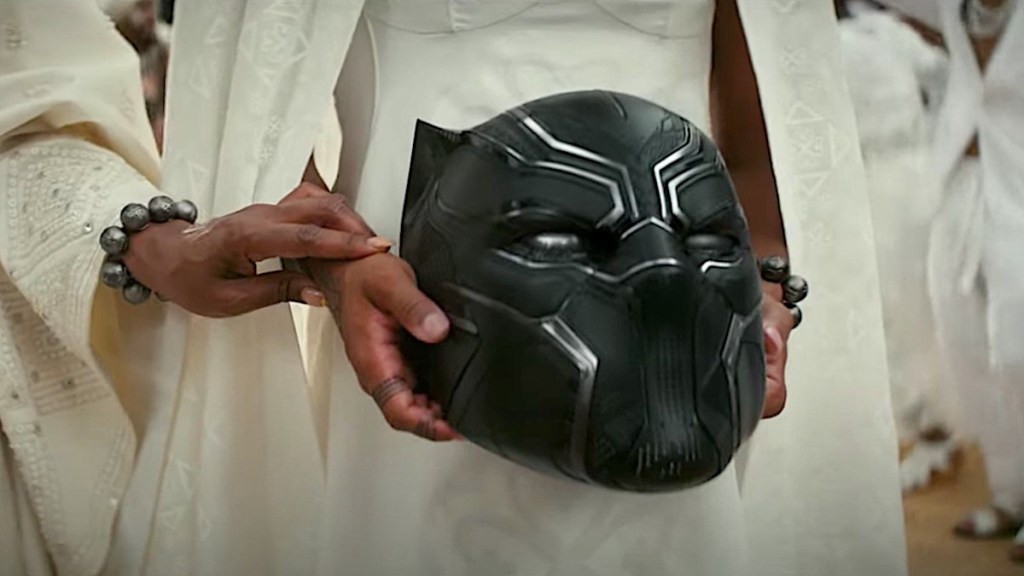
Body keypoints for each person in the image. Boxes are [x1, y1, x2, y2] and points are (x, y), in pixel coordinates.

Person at [0, 1, 906, 574]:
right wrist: (333, 255)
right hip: (406, 303)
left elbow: (762, 118)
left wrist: (764, 279)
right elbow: (265, 86)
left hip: (686, 318)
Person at [838, 1, 963, 493]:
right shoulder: (827, 44)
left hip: (909, 180)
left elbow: (948, 77)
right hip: (864, 182)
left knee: (915, 309)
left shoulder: (885, 30)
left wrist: (942, 142)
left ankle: (938, 427)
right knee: (887, 311)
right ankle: (920, 423)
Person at [926, 0, 1024, 563]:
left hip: (1019, 184)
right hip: (959, 185)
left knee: (1018, 349)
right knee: (965, 345)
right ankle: (1010, 497)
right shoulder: (952, 6)